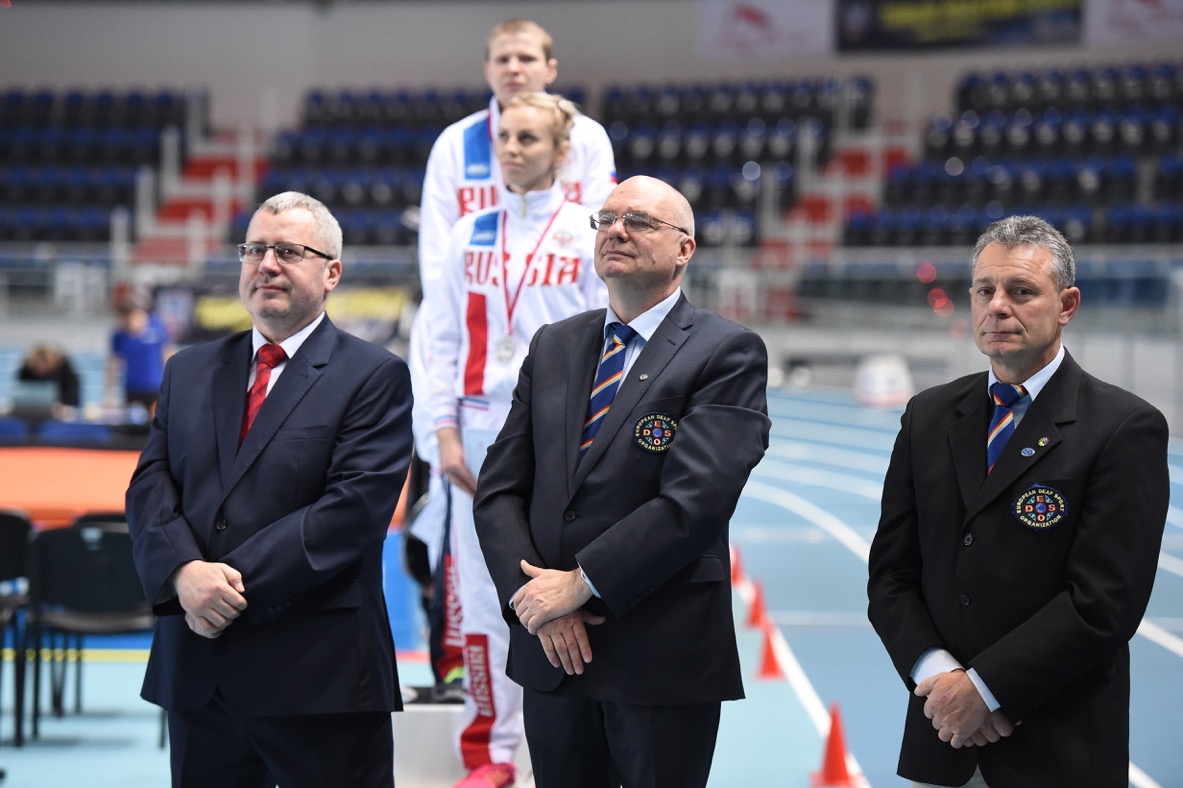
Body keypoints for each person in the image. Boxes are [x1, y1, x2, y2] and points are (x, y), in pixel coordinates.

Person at [472, 175, 771, 788]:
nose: (616, 230)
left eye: (639, 221)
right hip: (552, 654)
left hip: (658, 655)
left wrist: (579, 584)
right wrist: (537, 603)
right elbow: (500, 489)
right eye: (606, 219)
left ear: (684, 249)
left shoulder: (727, 352)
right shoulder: (554, 345)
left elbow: (694, 504)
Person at [867, 215, 1169, 787]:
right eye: (985, 290)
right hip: (944, 739)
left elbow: (1103, 602)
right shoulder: (928, 416)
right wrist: (941, 678)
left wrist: (985, 691)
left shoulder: (1123, 428)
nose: (998, 306)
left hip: (1059, 747)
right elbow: (891, 575)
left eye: (1021, 291)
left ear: (1067, 304)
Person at [125, 192, 413, 788]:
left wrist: (222, 586)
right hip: (200, 674)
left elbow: (350, 512)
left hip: (319, 673)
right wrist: (183, 573)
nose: (267, 264)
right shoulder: (188, 370)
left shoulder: (374, 376)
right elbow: (151, 485)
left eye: (289, 251)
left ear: (332, 273)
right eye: (254, 249)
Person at [411, 17, 617, 745]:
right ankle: (489, 745)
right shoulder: (465, 235)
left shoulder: (590, 237)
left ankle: (554, 750)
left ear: (563, 151)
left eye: (527, 138)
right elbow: (438, 333)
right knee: (477, 595)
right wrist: (440, 433)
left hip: (560, 431)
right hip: (475, 427)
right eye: (504, 136)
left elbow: (608, 335)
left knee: (559, 588)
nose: (510, 147)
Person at [106, 294, 171, 413]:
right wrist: (109, 395)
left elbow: (167, 356)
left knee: (157, 421)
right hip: (132, 388)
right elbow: (114, 364)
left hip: (155, 387)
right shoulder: (119, 336)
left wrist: (171, 385)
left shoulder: (157, 328)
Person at [17, 343, 81, 413]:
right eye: (38, 368)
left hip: (60, 407)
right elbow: (23, 392)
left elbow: (72, 391)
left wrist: (63, 404)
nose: (41, 370)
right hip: (33, 408)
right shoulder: (26, 370)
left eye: (44, 367)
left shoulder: (64, 369)